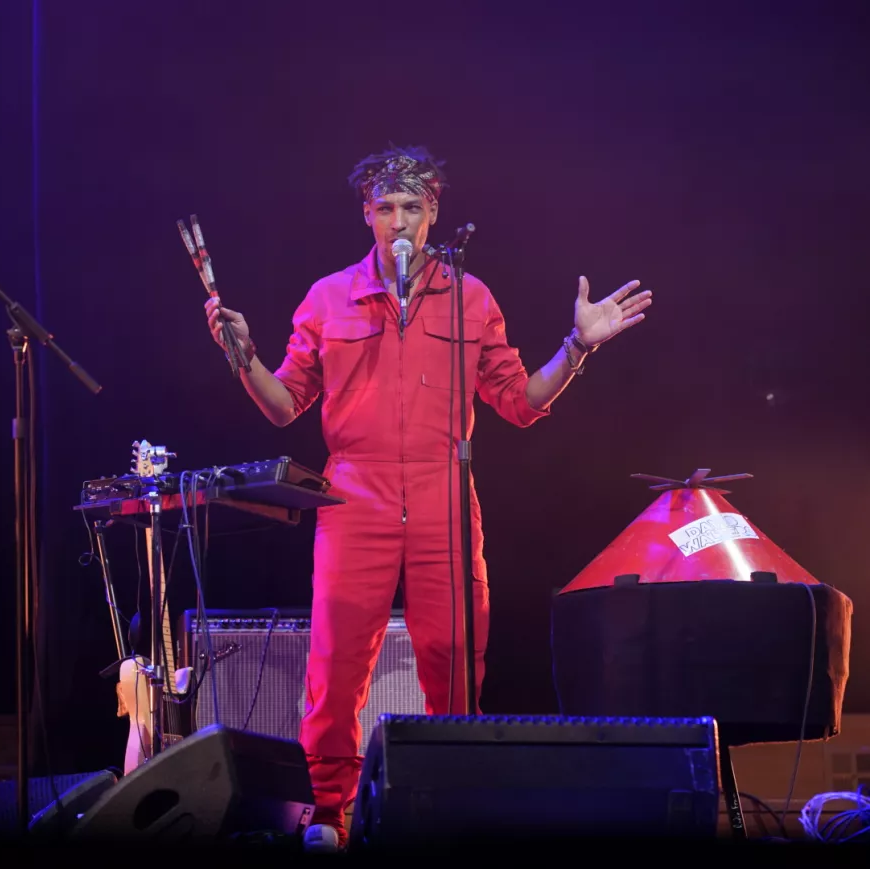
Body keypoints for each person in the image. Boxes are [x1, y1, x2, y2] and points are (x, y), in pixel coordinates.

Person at [203, 145, 652, 850]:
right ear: (367, 216)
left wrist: (578, 346)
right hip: (354, 496)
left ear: (434, 211)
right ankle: (328, 813)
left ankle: (451, 800)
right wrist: (243, 357)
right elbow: (285, 403)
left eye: (412, 206)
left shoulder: (471, 294)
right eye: (385, 207)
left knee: (454, 654)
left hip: (445, 494)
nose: (399, 220)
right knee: (337, 662)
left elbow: (519, 399)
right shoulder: (329, 297)